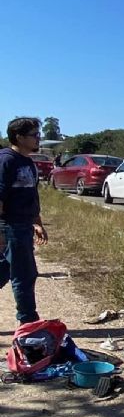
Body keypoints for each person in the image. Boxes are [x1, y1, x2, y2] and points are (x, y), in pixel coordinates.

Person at [0, 117, 48, 325]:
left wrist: (37, 222)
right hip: (9, 225)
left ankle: (28, 320)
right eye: (34, 135)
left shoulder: (28, 162)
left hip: (23, 225)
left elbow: (31, 195)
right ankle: (29, 322)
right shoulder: (6, 160)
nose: (38, 139)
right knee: (25, 274)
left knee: (5, 269)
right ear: (19, 137)